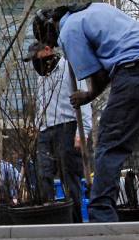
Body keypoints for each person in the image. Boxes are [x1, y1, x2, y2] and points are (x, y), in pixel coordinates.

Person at [30, 2, 139, 222]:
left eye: (51, 41)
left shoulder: (69, 29)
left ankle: (101, 213)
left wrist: (88, 95)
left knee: (110, 142)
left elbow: (98, 76)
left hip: (133, 69)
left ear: (50, 27)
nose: (55, 45)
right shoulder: (96, 9)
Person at [23, 44, 91, 223]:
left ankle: (74, 221)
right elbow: (41, 104)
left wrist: (82, 133)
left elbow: (83, 100)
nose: (35, 62)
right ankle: (49, 218)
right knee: (43, 174)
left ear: (47, 50)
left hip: (67, 127)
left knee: (69, 177)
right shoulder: (41, 78)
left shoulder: (69, 68)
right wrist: (37, 127)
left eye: (36, 56)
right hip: (45, 130)